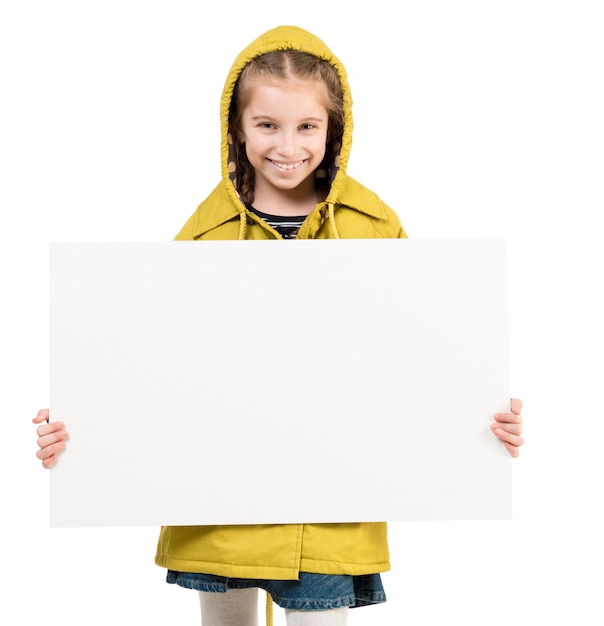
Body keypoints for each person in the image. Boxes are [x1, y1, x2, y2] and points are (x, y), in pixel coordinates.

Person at [33, 25, 525, 626]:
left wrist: (477, 421)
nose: (286, 145)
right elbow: (151, 361)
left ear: (332, 129)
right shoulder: (205, 232)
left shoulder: (374, 225)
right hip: (217, 507)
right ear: (237, 129)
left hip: (333, 508)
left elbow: (419, 354)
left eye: (306, 126)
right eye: (267, 125)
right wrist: (81, 427)